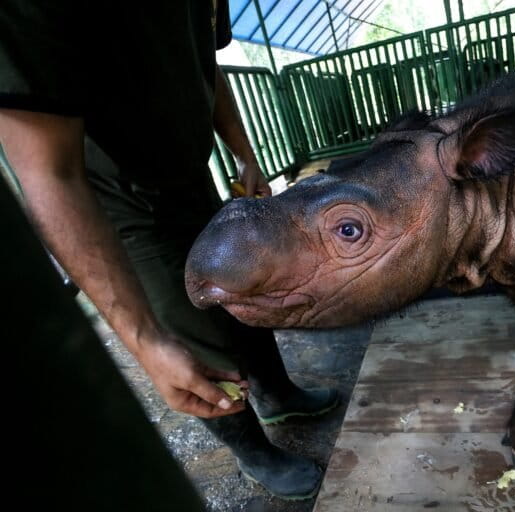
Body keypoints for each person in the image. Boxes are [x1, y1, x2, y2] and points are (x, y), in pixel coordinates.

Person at [0, 0, 337, 501]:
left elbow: (206, 64)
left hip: (189, 175)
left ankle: (278, 394)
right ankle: (252, 449)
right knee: (189, 334)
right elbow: (48, 173)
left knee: (244, 291)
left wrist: (244, 153)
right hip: (117, 199)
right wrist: (142, 340)